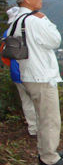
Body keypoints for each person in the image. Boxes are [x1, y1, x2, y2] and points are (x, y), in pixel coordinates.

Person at [9, 0, 63, 165]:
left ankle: (47, 150)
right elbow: (55, 40)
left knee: (42, 116)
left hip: (29, 74)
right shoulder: (34, 20)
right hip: (41, 76)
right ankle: (49, 158)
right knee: (50, 118)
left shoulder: (16, 19)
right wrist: (44, 19)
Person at [2, 7, 38, 136]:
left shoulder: (7, 33)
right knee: (38, 101)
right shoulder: (28, 29)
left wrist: (12, 65)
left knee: (26, 102)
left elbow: (4, 55)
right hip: (32, 72)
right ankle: (43, 129)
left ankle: (33, 128)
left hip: (16, 72)